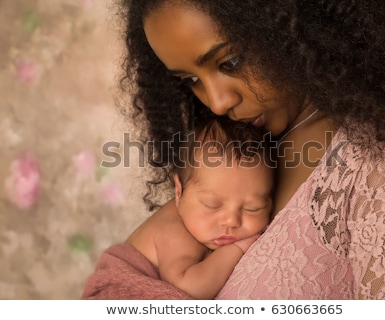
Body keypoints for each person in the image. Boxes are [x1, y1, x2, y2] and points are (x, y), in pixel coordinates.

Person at [109, 0, 385, 299]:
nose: (217, 102)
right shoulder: (237, 146)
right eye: (190, 80)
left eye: (230, 62)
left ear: (293, 28)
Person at [82, 116, 274, 299]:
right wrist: (237, 248)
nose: (231, 220)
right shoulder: (175, 229)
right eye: (212, 205)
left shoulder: (198, 221)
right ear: (179, 190)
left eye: (253, 208)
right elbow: (188, 288)